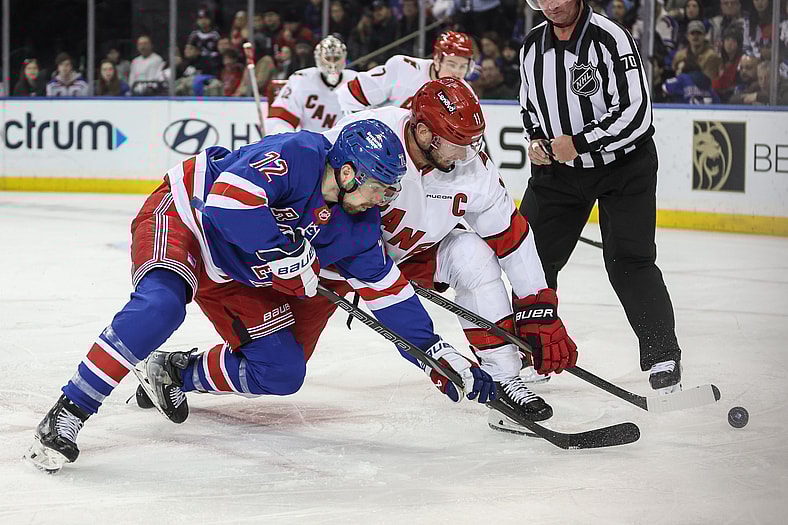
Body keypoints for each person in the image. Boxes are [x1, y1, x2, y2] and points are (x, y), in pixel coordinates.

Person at [25, 119, 495, 474]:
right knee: (163, 304)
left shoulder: (360, 226)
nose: (382, 200)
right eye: (378, 188)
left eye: (389, 191)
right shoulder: (301, 152)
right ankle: (69, 410)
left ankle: (174, 370)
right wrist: (281, 251)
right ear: (349, 172)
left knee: (282, 371)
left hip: (238, 271)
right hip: (189, 219)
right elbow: (227, 201)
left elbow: (387, 291)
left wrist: (434, 351)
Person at [317, 78, 578, 427]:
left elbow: (511, 237)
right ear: (424, 132)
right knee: (280, 363)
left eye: (471, 143)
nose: (464, 155)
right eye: (456, 144)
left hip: (415, 256)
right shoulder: (369, 137)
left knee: (472, 253)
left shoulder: (471, 166)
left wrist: (537, 306)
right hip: (342, 261)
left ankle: (505, 379)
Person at [518, 0, 684, 394]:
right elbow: (529, 108)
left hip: (624, 169)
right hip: (559, 172)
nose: (552, 5)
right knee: (528, 260)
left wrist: (579, 143)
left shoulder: (610, 38)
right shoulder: (531, 46)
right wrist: (536, 141)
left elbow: (637, 112)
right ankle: (532, 349)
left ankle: (663, 354)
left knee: (630, 261)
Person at [337, 31, 475, 112]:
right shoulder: (403, 69)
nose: (457, 72)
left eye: (463, 67)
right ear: (437, 60)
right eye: (451, 64)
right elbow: (350, 95)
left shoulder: (467, 96)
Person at [265, 35, 359, 134]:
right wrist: (287, 141)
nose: (332, 64)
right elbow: (280, 118)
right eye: (328, 58)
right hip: (311, 145)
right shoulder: (301, 80)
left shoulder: (356, 81)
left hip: (348, 145)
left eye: (336, 58)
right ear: (318, 58)